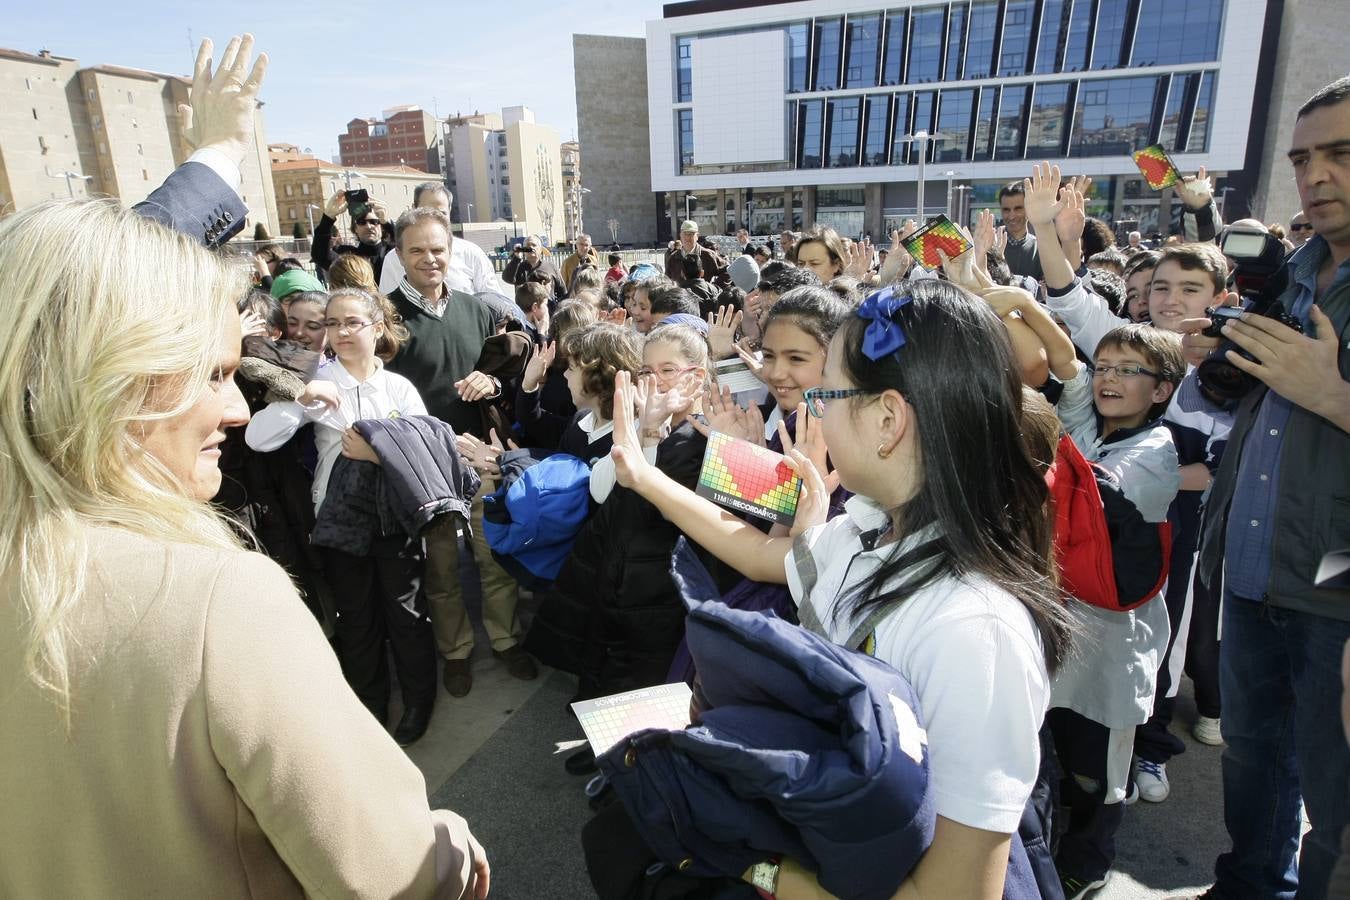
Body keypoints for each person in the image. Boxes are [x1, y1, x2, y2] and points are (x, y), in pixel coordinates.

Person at [0, 33, 489, 898]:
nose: (234, 405)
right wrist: (452, 846)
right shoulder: (218, 602)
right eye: (216, 376)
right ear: (109, 378)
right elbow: (392, 876)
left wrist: (216, 155)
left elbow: (60, 309)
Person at [604, 278, 1070, 898]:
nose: (810, 404)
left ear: (887, 419)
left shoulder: (975, 632)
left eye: (826, 389)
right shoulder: (865, 527)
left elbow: (953, 889)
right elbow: (762, 553)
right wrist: (641, 476)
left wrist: (759, 866)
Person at [1182, 75, 1350, 900]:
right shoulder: (1294, 276)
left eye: (1341, 155)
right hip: (1250, 567)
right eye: (1303, 158)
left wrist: (1334, 396)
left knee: (1337, 794)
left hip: (1336, 589)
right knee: (1251, 758)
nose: (1316, 176)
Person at [246, 289, 441, 745]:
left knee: (407, 614)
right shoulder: (319, 378)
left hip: (395, 520)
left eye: (353, 322)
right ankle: (368, 708)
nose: (343, 332)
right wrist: (301, 398)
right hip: (339, 520)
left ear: (377, 328)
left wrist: (380, 454)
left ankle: (418, 703)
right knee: (356, 618)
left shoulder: (399, 388)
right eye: (333, 324)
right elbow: (258, 437)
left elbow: (425, 452)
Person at [385, 207, 538, 697]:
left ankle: (506, 639)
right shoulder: (386, 317)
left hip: (481, 457)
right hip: (422, 465)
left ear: (451, 252)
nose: (430, 260)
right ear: (399, 254)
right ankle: (455, 651)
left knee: (493, 558)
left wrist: (491, 379)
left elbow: (514, 366)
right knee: (441, 567)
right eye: (417, 250)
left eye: (437, 249)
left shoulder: (478, 309)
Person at [377, 183, 503, 297]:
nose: (434, 219)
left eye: (441, 213)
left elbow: (495, 301)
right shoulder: (393, 259)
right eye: (426, 212)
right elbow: (388, 308)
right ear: (413, 209)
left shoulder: (471, 253)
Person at [312, 189, 393, 283]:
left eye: (374, 222)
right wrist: (328, 217)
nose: (369, 226)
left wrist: (387, 223)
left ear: (382, 227)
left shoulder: (392, 252)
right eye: (361, 222)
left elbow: (404, 246)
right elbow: (320, 255)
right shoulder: (347, 256)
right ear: (355, 229)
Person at [999, 180, 1045, 281]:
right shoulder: (989, 245)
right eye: (1006, 210)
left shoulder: (1041, 248)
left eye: (1018, 209)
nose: (1011, 216)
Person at [665, 220, 727, 286]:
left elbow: (727, 271)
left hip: (703, 295)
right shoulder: (673, 257)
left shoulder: (708, 255)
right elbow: (666, 280)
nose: (687, 237)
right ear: (680, 235)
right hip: (682, 295)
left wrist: (715, 288)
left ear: (697, 236)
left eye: (691, 234)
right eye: (685, 233)